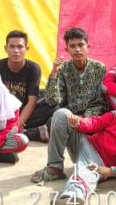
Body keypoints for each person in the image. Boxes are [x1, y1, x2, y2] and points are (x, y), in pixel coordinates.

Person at [34, 27, 108, 180]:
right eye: (72, 46)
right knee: (60, 114)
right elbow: (52, 100)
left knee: (91, 171)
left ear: (88, 47)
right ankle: (54, 167)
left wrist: (84, 119)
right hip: (73, 126)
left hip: (94, 129)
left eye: (81, 45)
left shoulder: (100, 69)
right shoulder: (63, 69)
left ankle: (90, 162)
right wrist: (54, 73)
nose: (77, 49)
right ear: (67, 49)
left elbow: (103, 103)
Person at [0, 30, 55, 142]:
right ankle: (31, 133)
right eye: (12, 47)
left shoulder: (33, 68)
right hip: (1, 112)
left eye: (20, 47)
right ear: (6, 48)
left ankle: (13, 130)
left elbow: (32, 100)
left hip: (23, 112)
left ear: (26, 49)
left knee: (53, 107)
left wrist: (18, 123)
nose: (16, 51)